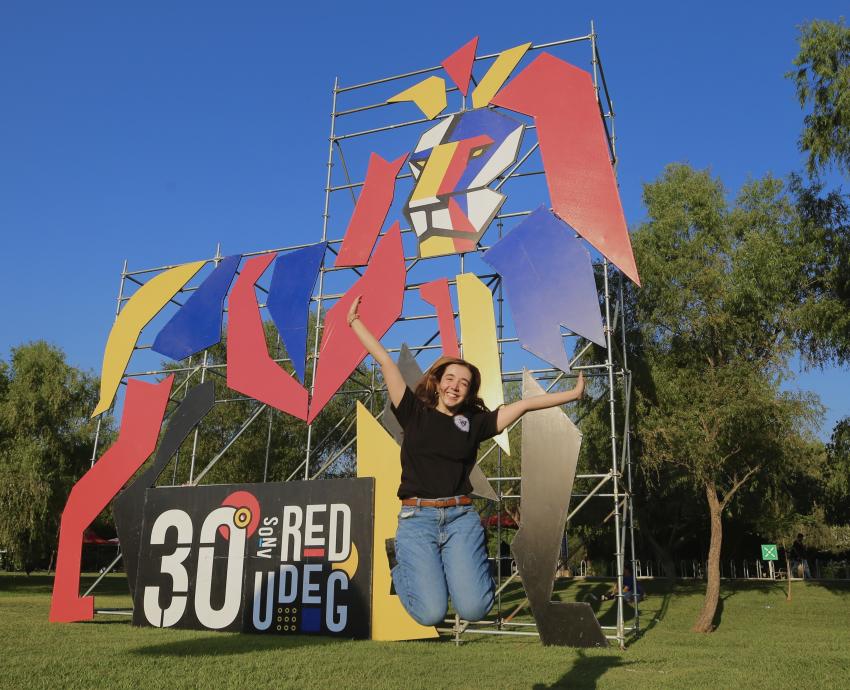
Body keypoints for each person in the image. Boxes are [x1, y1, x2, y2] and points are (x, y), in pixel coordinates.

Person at [347, 295, 586, 626]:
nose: (455, 386)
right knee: (430, 613)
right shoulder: (413, 412)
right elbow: (387, 362)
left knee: (474, 610)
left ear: (470, 390)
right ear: (438, 380)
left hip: (460, 518)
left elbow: (525, 406)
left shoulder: (474, 424)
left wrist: (572, 395)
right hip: (417, 519)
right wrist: (355, 322)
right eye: (450, 378)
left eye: (464, 383)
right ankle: (400, 565)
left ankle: (463, 570)